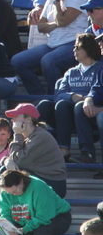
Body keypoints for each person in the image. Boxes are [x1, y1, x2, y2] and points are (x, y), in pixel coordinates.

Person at [15, 0, 87, 95]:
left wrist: (58, 6)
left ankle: (56, 96)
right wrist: (57, 23)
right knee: (18, 61)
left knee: (48, 61)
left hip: (72, 43)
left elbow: (63, 21)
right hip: (52, 44)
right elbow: (41, 27)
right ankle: (39, 96)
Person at [36, 32, 102, 163]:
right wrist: (73, 96)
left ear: (88, 49)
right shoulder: (71, 72)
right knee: (45, 105)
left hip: (90, 114)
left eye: (78, 47)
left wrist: (86, 100)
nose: (74, 50)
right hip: (66, 114)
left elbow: (99, 91)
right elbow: (59, 94)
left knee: (76, 106)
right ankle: (37, 150)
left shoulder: (100, 69)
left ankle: (87, 153)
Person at [0, 104, 68, 204]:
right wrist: (6, 160)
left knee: (5, 171)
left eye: (16, 117)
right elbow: (12, 158)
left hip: (53, 183)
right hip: (40, 176)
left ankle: (9, 211)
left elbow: (19, 160)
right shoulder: (28, 136)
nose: (12, 120)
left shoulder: (40, 136)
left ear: (28, 119)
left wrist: (17, 134)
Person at [0, 169, 72, 235]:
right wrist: (7, 227)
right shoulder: (5, 193)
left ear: (21, 181)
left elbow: (44, 216)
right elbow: (6, 214)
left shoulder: (39, 188)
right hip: (26, 220)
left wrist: (24, 229)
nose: (14, 194)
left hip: (56, 217)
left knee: (39, 232)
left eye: (15, 190)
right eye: (10, 193)